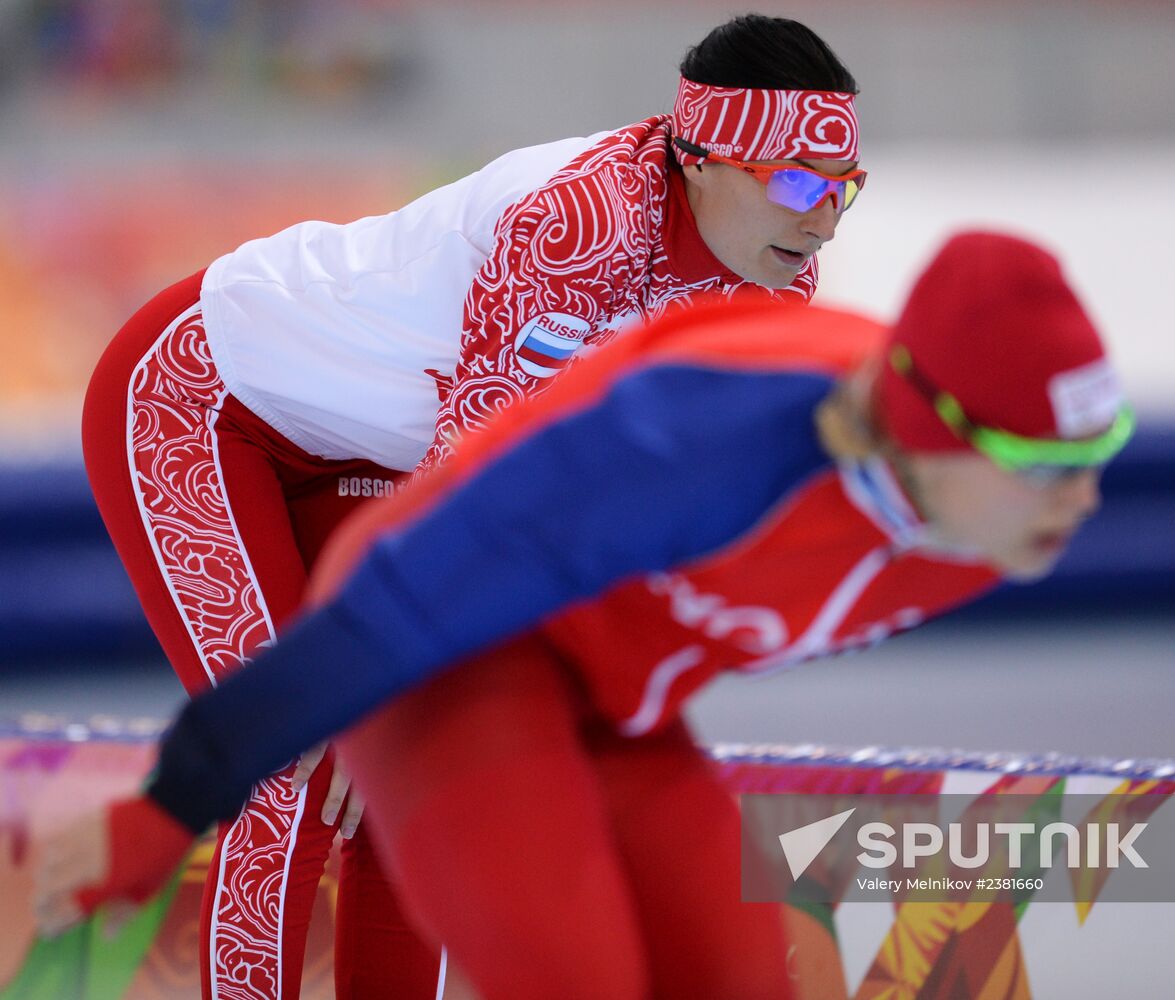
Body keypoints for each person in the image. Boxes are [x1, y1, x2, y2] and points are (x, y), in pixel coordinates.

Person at [43, 231, 1134, 999]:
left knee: (739, 981)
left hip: (613, 693)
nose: (1082, 498)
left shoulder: (991, 522)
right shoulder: (697, 443)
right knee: (577, 980)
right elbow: (401, 606)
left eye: (1099, 453)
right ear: (925, 428)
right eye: (1046, 464)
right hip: (449, 651)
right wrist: (172, 803)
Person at [76, 13, 862, 1000]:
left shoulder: (775, 283)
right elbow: (479, 485)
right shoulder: (581, 226)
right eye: (796, 183)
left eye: (844, 188)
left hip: (376, 454)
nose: (823, 219)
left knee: (419, 770)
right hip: (202, 402)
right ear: (699, 160)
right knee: (299, 757)